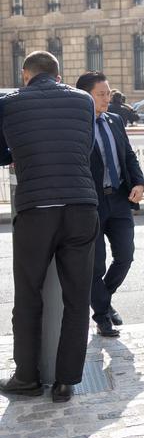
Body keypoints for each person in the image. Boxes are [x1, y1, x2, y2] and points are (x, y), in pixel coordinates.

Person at [0, 51, 100, 403]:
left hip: (37, 208)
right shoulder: (84, 100)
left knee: (29, 294)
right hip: (81, 206)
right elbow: (84, 146)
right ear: (59, 75)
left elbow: (2, 153)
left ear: (26, 74)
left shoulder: (9, 103)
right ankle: (65, 382)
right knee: (76, 298)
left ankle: (27, 376)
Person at [77, 72, 144, 338]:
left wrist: (139, 183)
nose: (107, 98)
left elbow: (128, 155)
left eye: (108, 93)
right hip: (91, 202)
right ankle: (103, 317)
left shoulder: (115, 120)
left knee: (125, 257)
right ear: (85, 96)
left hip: (119, 198)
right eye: (101, 94)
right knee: (95, 266)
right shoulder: (76, 125)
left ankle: (102, 301)